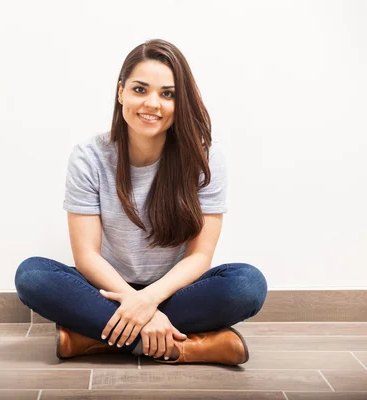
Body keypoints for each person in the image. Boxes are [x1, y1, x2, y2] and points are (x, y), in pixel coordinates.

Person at [14, 39, 267, 365]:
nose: (152, 103)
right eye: (139, 89)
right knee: (32, 275)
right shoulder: (89, 157)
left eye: (167, 94)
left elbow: (200, 256)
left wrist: (148, 301)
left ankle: (96, 339)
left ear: (181, 102)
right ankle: (183, 345)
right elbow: (87, 256)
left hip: (176, 290)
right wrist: (140, 307)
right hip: (108, 289)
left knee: (247, 284)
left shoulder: (205, 157)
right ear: (121, 92)